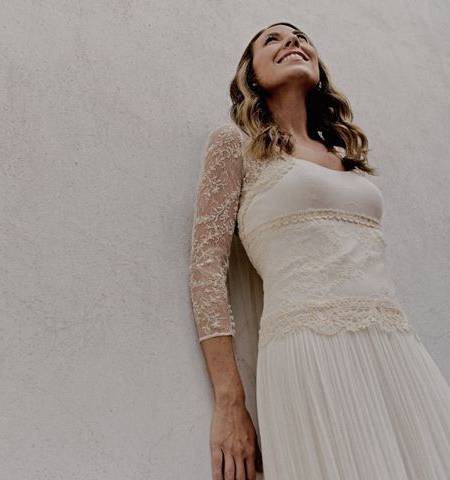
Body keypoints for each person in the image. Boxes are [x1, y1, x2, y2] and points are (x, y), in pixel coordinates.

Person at [188, 21, 450, 480]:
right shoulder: (236, 146)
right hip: (308, 349)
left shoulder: (345, 157)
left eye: (300, 37)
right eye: (272, 39)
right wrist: (230, 402)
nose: (292, 41)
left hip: (395, 345)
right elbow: (207, 267)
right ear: (250, 75)